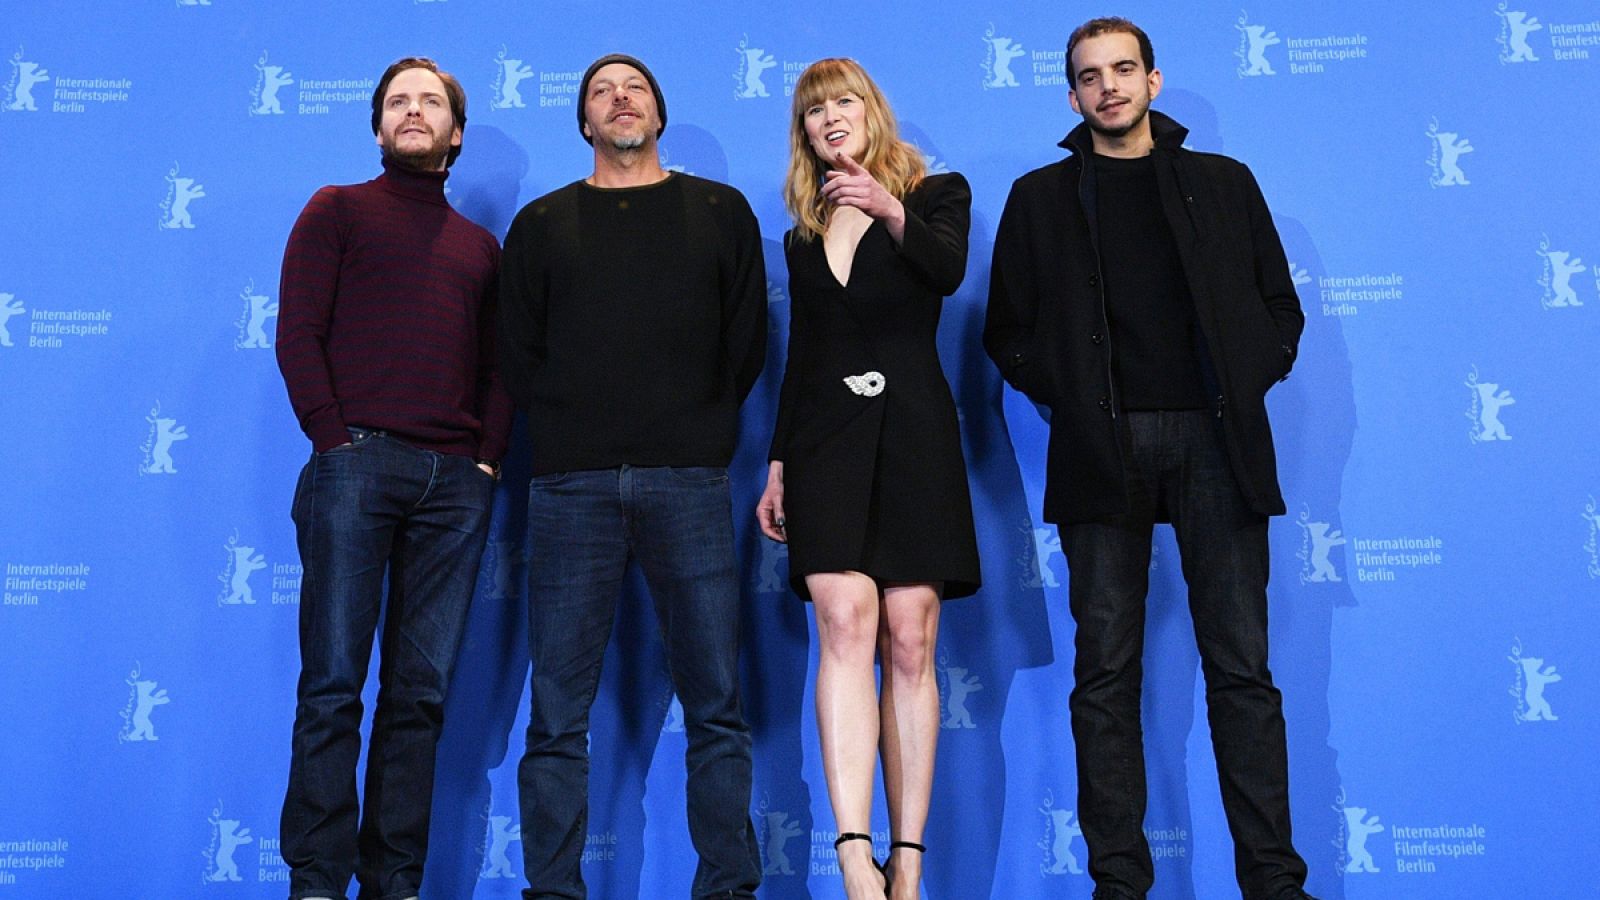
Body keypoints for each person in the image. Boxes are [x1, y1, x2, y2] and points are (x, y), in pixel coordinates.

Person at [984, 17, 1319, 900]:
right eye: (1090, 76)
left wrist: (1244, 384)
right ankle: (1119, 886)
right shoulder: (1039, 198)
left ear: (1154, 81)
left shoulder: (1223, 183)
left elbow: (1281, 309)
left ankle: (1276, 885)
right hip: (1102, 450)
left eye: (1123, 70)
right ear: (1072, 96)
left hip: (1217, 446)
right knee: (1103, 678)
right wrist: (1071, 400)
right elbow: (1006, 333)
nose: (1109, 87)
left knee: (1242, 672)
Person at [498, 53, 767, 900]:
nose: (621, 100)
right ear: (584, 122)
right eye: (602, 93)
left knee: (716, 706)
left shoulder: (720, 212)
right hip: (571, 487)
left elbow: (747, 340)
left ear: (659, 113)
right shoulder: (542, 224)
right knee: (555, 718)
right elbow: (516, 351)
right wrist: (573, 430)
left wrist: (699, 431)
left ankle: (727, 887)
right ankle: (552, 890)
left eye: (636, 89)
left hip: (687, 480)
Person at [275, 56, 510, 900]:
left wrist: (484, 462)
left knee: (420, 698)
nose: (413, 112)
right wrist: (335, 442)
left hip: (454, 485)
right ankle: (315, 882)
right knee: (334, 686)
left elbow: (500, 368)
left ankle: (394, 883)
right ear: (378, 127)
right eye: (398, 102)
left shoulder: (481, 249)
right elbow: (298, 334)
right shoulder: (335, 211)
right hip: (354, 467)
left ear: (455, 133)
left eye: (431, 102)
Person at [756, 58, 980, 900]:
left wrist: (889, 209)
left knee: (911, 635)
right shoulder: (802, 232)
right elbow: (804, 353)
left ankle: (908, 861)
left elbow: (945, 273)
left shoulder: (936, 193)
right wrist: (778, 461)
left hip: (915, 433)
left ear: (873, 111)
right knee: (843, 623)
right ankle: (854, 854)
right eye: (813, 112)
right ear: (804, 134)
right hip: (824, 443)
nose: (828, 119)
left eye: (843, 102)